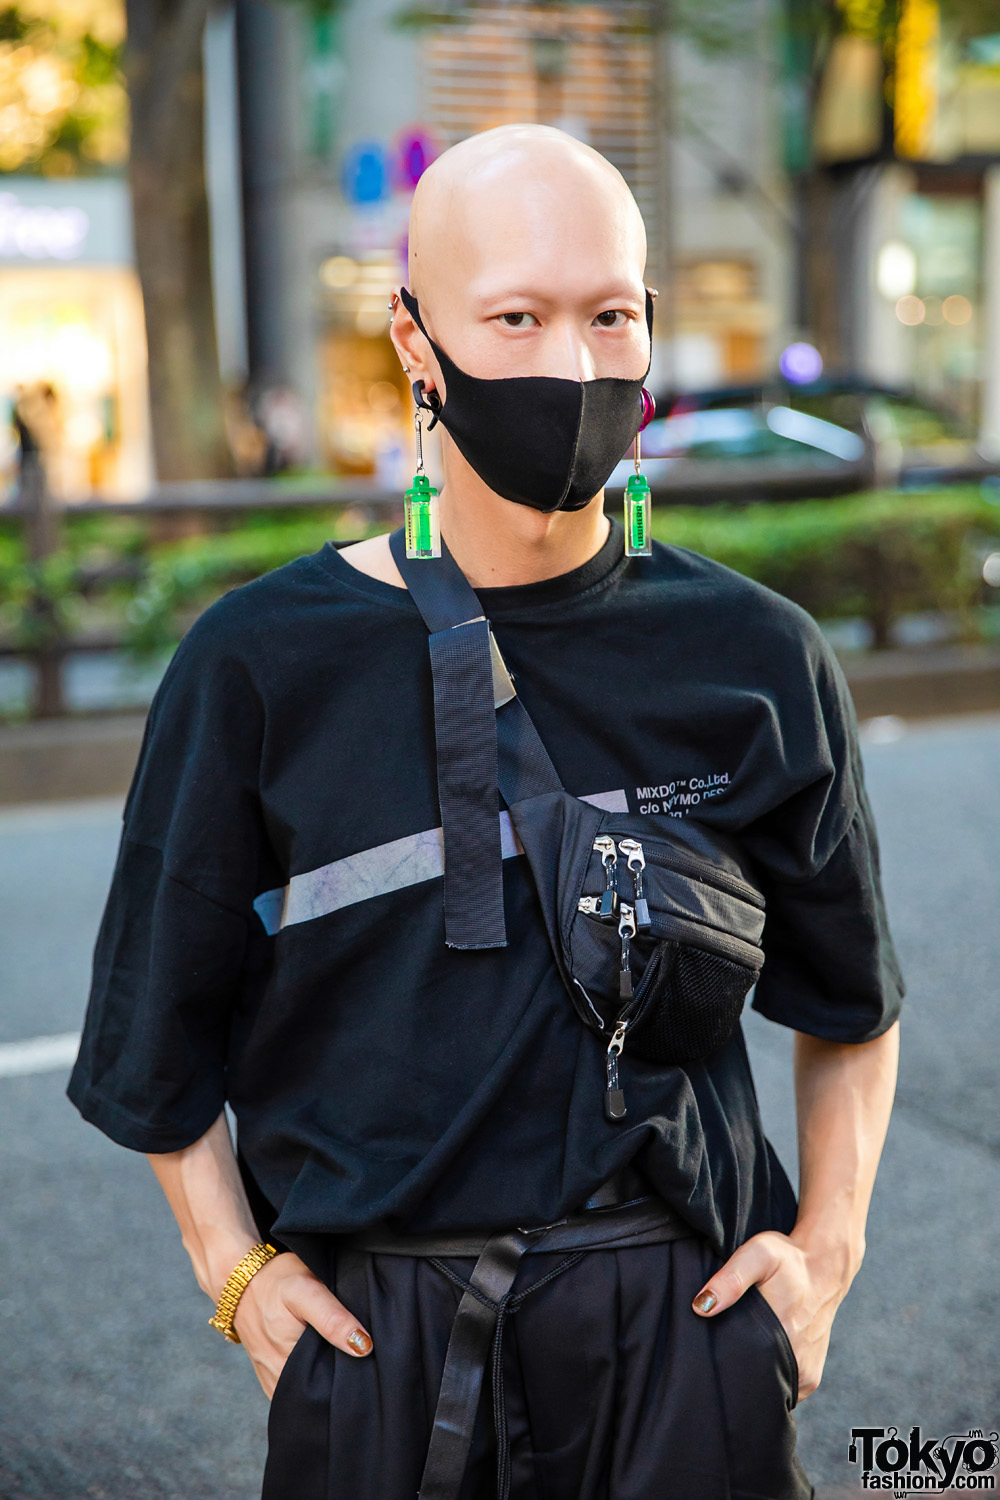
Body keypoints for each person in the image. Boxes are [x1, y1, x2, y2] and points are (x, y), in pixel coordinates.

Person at [68, 125, 904, 1500]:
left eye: (609, 315)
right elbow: (152, 1037)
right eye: (514, 317)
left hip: (682, 1329)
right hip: (384, 1347)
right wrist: (233, 1272)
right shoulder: (259, 664)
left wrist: (825, 1257)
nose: (571, 365)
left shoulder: (756, 656)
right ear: (414, 339)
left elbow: (851, 1003)